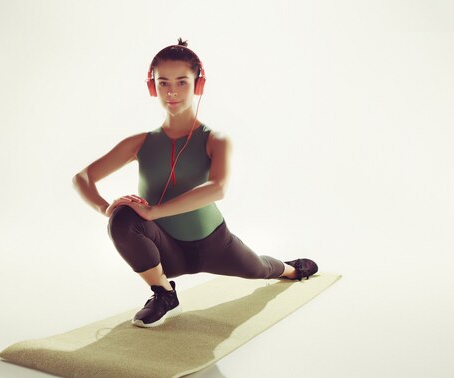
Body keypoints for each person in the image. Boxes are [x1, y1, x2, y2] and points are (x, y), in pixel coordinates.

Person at [73, 38, 318, 328]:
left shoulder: (215, 140)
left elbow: (218, 188)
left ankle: (290, 269)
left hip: (215, 244)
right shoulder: (139, 143)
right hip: (166, 251)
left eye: (182, 82)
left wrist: (154, 211)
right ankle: (163, 293)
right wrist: (106, 208)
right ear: (152, 87)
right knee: (122, 218)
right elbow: (83, 178)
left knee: (259, 269)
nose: (172, 91)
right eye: (163, 83)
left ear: (198, 86)